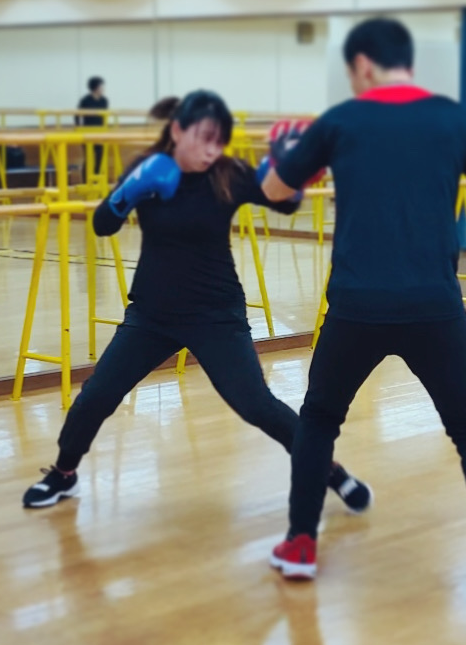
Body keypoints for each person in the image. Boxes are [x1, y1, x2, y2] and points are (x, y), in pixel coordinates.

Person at [261, 17, 466, 601]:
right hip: (435, 304)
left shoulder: (341, 120)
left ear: (362, 65)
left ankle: (300, 545)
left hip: (357, 305)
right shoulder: (454, 117)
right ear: (409, 61)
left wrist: (284, 155)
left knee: (319, 421)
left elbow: (276, 192)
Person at [23, 90, 372, 520]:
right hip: (152, 315)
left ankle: (328, 470)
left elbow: (283, 202)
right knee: (96, 396)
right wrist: (131, 191)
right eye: (204, 139)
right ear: (177, 130)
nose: (212, 151)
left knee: (257, 405)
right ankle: (64, 474)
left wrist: (291, 170)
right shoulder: (147, 168)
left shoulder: (228, 174)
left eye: (219, 141)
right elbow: (102, 225)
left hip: (216, 315)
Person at [76, 76, 109, 178]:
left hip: (100, 133)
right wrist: (79, 129)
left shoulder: (104, 100)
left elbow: (105, 116)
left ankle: (96, 179)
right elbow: (77, 115)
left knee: (99, 157)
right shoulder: (85, 100)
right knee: (89, 158)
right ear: (96, 88)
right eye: (101, 87)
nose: (103, 89)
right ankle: (86, 180)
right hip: (88, 133)